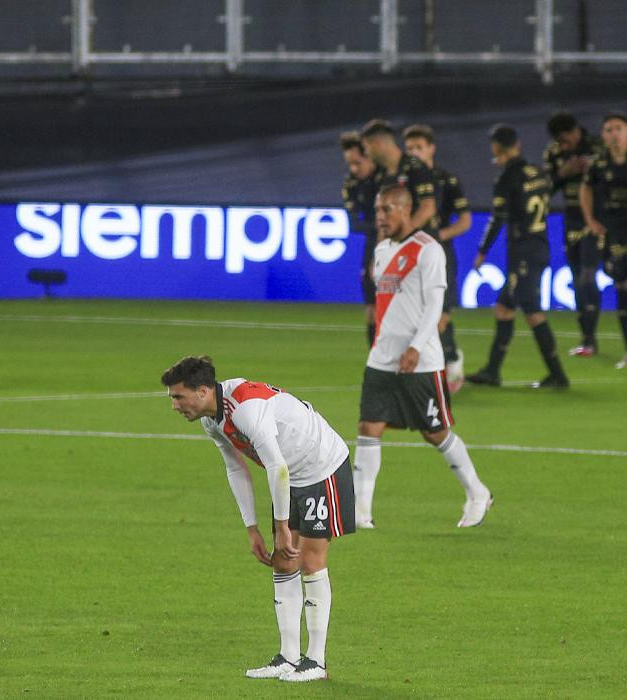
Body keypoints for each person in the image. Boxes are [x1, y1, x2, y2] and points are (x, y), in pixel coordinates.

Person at [162, 355, 354, 683]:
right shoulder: (212, 420)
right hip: (292, 474)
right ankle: (288, 657)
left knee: (309, 560)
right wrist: (251, 528)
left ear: (203, 391)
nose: (175, 406)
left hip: (321, 466)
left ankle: (316, 661)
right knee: (283, 561)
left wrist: (280, 528)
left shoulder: (246, 409)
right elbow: (236, 467)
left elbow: (276, 466)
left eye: (178, 397)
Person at [353, 185, 492, 530]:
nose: (380, 217)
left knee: (436, 432)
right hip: (382, 357)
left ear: (404, 209)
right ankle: (360, 511)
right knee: (369, 428)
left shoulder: (428, 250)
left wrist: (416, 346)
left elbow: (435, 306)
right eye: (377, 209)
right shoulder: (382, 249)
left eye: (386, 210)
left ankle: (477, 493)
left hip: (422, 359)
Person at [468, 124, 570, 388]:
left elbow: (498, 219)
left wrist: (482, 251)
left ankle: (558, 374)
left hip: (523, 253)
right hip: (539, 247)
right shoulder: (537, 172)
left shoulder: (506, 179)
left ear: (498, 149)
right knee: (504, 307)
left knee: (532, 311)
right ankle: (492, 370)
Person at [403, 123, 472, 393]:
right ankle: (434, 366)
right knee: (416, 314)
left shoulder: (447, 180)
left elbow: (465, 220)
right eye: (409, 148)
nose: (413, 153)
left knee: (440, 315)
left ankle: (451, 359)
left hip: (440, 254)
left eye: (418, 147)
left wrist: (439, 234)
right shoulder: (402, 180)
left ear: (431, 148)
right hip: (409, 254)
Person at [543, 113, 605, 356]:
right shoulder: (553, 153)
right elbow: (543, 190)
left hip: (597, 218)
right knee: (577, 275)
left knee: (587, 276)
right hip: (571, 218)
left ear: (575, 132)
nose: (562, 145)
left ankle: (589, 339)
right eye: (558, 141)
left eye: (565, 140)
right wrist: (562, 174)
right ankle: (587, 339)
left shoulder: (598, 147)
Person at [580, 112, 627, 370]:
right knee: (622, 289)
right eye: (608, 130)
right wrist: (589, 219)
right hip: (615, 235)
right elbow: (585, 188)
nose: (614, 134)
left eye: (618, 128)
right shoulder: (599, 165)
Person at [360, 119, 438, 238]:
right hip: (397, 246)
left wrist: (403, 238)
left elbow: (428, 208)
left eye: (366, 147)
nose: (366, 153)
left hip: (421, 245)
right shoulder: (380, 175)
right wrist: (381, 251)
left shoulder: (415, 166)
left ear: (377, 143)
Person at [340, 131, 381, 347]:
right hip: (373, 245)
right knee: (371, 308)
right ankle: (375, 361)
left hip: (399, 246)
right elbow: (355, 224)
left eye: (357, 163)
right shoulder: (351, 185)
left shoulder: (388, 178)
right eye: (350, 164)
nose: (354, 169)